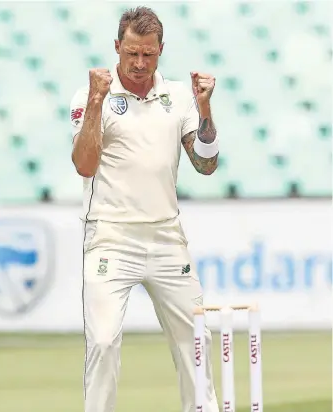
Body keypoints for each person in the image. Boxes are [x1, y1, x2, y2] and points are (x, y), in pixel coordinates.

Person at [70, 6, 219, 412]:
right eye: (131, 53)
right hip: (111, 237)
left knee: (197, 338)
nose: (139, 64)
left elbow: (206, 165)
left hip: (167, 237)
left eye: (148, 54)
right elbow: (84, 164)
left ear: (160, 50)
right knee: (101, 340)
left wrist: (204, 107)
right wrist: (99, 100)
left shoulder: (179, 97)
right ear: (117, 47)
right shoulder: (90, 96)